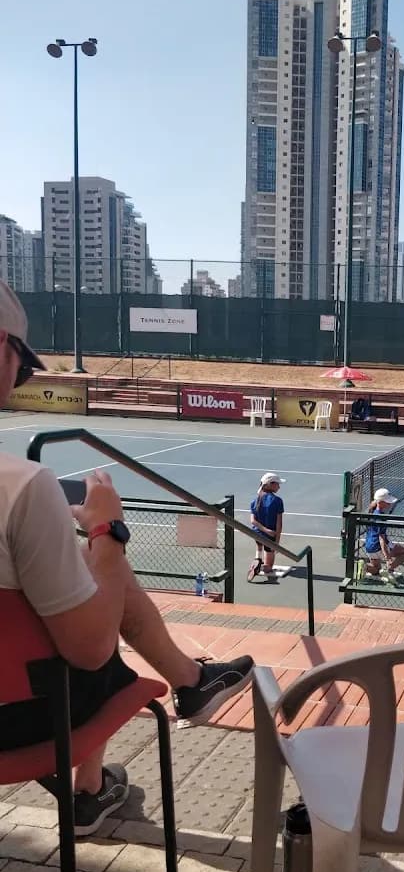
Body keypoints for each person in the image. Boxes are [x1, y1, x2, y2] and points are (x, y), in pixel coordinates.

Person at [0, 281, 254, 835]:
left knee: (80, 593)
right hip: (22, 722)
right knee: (96, 621)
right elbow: (89, 651)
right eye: (20, 365)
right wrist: (108, 530)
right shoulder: (21, 487)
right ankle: (98, 780)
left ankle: (190, 685)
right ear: (1, 347)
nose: (19, 379)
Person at [363, 488, 404, 583]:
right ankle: (389, 570)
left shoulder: (371, 513)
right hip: (379, 547)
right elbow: (381, 538)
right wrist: (387, 557)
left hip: (369, 547)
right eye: (387, 501)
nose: (390, 503)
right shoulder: (381, 517)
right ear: (380, 502)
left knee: (375, 570)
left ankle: (362, 567)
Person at [248, 472, 285, 581]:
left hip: (257, 533)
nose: (279, 486)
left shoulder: (255, 500)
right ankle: (261, 567)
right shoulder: (278, 501)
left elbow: (253, 521)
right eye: (277, 484)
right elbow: (279, 524)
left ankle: (257, 559)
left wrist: (264, 530)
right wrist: (276, 541)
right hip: (270, 536)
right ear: (270, 484)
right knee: (269, 567)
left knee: (260, 545)